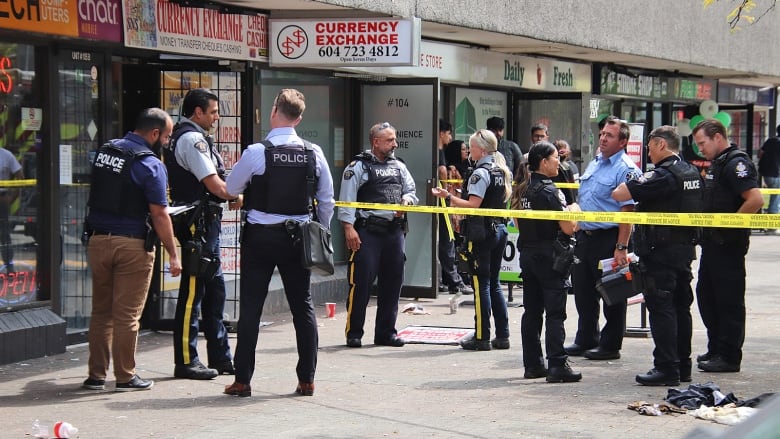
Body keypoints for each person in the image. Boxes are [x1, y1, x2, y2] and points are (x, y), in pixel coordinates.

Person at [223, 88, 334, 397]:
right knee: (303, 308)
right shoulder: (314, 153)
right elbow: (326, 201)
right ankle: (307, 379)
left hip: (260, 238)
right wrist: (319, 232)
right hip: (298, 238)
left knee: (251, 309)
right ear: (299, 118)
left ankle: (243, 380)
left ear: (274, 112)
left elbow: (232, 188)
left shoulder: (257, 152)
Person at [82, 108, 182, 392]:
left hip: (98, 240)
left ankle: (96, 375)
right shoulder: (150, 165)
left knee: (101, 312)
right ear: (154, 133)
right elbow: (160, 214)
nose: (166, 142)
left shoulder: (105, 152)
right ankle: (125, 376)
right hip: (132, 245)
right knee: (127, 315)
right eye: (166, 136)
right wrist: (173, 253)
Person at [612, 126, 702, 386]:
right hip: (684, 251)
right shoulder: (691, 171)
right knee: (680, 308)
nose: (648, 152)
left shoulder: (662, 175)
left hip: (660, 253)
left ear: (662, 145)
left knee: (661, 309)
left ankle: (666, 367)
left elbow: (619, 193)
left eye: (650, 147)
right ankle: (683, 365)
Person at [164, 88, 240, 380]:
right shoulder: (192, 139)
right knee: (193, 293)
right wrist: (234, 193)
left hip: (206, 224)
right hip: (199, 224)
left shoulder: (186, 136)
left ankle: (220, 357)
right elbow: (214, 183)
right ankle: (185, 360)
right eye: (213, 112)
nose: (217, 117)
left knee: (215, 292)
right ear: (198, 112)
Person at [564, 116, 641, 361]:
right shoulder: (596, 162)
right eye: (602, 134)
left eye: (609, 135)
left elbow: (627, 212)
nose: (603, 138)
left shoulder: (626, 169)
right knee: (583, 292)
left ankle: (610, 345)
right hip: (586, 237)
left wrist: (621, 246)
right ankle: (586, 338)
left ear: (623, 141)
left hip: (609, 238)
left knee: (612, 293)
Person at [692, 119, 763, 373]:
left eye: (703, 143)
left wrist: (731, 227)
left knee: (728, 301)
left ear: (718, 137)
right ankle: (716, 348)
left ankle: (729, 356)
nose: (700, 149)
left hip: (728, 246)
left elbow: (755, 199)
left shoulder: (736, 163)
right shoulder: (718, 164)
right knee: (707, 297)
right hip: (712, 245)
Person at [339, 122, 418, 348]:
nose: (395, 144)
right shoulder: (358, 167)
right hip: (367, 232)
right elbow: (346, 199)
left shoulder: (399, 166)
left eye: (394, 139)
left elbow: (411, 190)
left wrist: (407, 201)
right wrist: (348, 228)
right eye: (389, 140)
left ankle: (386, 333)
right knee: (361, 283)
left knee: (392, 283)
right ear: (375, 142)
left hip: (394, 232)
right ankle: (354, 333)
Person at [432, 129, 511, 351]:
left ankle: (481, 336)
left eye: (472, 147)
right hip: (499, 229)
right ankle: (502, 335)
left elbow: (474, 204)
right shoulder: (501, 170)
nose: (468, 150)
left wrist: (449, 196)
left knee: (481, 285)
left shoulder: (479, 173)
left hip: (482, 233)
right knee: (494, 284)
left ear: (482, 149)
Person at [514, 141, 581, 382]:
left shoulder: (522, 188)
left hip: (529, 254)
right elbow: (568, 227)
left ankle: (532, 365)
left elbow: (517, 222)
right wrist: (575, 210)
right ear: (544, 162)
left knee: (531, 312)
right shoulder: (551, 191)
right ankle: (557, 365)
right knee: (554, 313)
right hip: (550, 258)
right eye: (555, 159)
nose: (558, 163)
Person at [437, 122, 470, 295]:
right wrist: (444, 189)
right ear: (441, 133)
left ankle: (447, 279)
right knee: (447, 240)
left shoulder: (441, 152)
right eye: (449, 133)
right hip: (442, 204)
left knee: (447, 241)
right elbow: (442, 171)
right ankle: (454, 281)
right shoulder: (439, 151)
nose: (450, 137)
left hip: (442, 202)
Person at [0, 146, 22, 271]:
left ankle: (8, 265)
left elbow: (20, 175)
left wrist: (13, 196)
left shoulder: (6, 155)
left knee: (4, 234)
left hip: (2, 199)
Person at [758, 124, 780, 227]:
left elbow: (760, 153)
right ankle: (772, 219)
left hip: (766, 173)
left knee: (774, 194)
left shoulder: (771, 141)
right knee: (776, 195)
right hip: (777, 173)